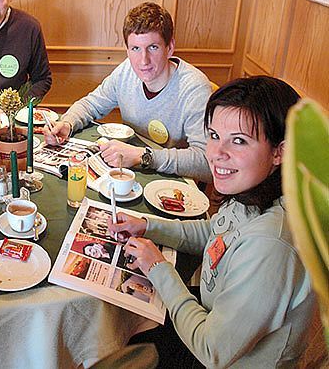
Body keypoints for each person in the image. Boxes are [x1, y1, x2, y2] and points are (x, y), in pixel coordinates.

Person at [107, 76, 314, 367]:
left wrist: (158, 268)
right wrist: (148, 226)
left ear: (279, 151)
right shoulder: (255, 191)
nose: (216, 154)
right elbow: (216, 233)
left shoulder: (270, 242)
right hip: (206, 310)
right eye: (214, 135)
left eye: (239, 141)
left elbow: (212, 350)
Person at [44, 2, 213, 182]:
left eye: (153, 47)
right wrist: (68, 123)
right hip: (130, 174)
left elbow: (206, 162)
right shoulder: (126, 72)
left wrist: (143, 156)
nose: (143, 61)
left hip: (171, 182)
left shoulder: (195, 88)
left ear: (169, 47)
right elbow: (91, 104)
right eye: (135, 49)